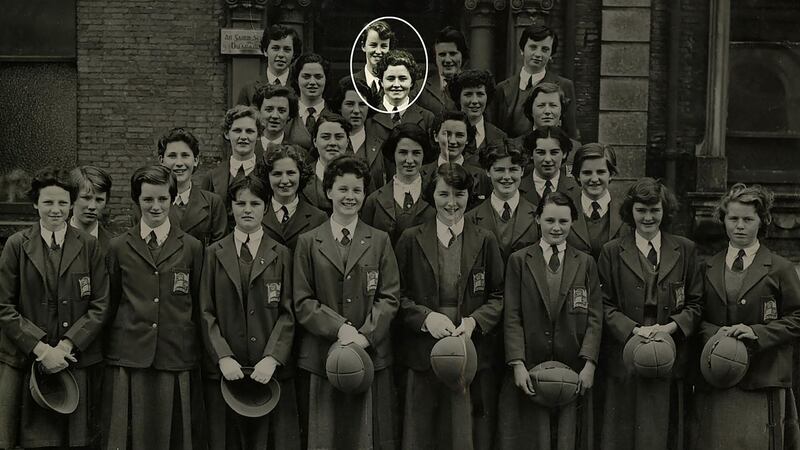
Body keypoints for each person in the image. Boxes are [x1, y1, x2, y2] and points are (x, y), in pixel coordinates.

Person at [293, 156, 400, 449]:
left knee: (364, 436)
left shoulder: (379, 240)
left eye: (356, 190)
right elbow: (302, 300)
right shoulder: (308, 242)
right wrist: (340, 329)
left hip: (369, 355)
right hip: (321, 356)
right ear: (329, 191)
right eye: (342, 189)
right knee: (325, 436)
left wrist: (364, 336)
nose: (349, 197)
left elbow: (389, 296)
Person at [395, 162, 504, 450]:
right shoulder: (411, 238)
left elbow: (498, 295)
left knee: (463, 431)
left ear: (470, 196)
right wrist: (425, 319)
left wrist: (473, 322)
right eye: (443, 194)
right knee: (423, 433)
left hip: (469, 352)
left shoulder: (485, 239)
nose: (452, 203)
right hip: (423, 350)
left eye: (460, 194)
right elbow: (397, 295)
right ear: (431, 195)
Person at [0, 167, 109, 449]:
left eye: (62, 202)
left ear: (71, 204)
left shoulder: (89, 246)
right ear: (35, 204)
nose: (56, 210)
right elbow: (4, 307)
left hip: (74, 361)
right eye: (48, 202)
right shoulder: (16, 246)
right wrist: (42, 350)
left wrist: (67, 345)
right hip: (28, 361)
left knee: (76, 439)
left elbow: (100, 304)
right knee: (34, 440)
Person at [689, 183, 800, 450]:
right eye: (733, 218)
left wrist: (757, 333)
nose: (739, 226)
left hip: (762, 380)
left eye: (748, 219)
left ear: (762, 221)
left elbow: (797, 317)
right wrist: (716, 335)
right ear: (723, 219)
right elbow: (696, 316)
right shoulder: (707, 267)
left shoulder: (780, 268)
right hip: (718, 379)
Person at [102, 165, 205, 449]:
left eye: (162, 199)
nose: (155, 206)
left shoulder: (192, 247)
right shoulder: (118, 247)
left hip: (175, 355)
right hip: (130, 356)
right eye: (147, 199)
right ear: (137, 200)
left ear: (172, 199)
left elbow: (198, 304)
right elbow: (111, 303)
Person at [598, 178, 702, 450]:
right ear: (630, 211)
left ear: (665, 211)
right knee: (624, 432)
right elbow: (604, 305)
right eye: (641, 210)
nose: (648, 217)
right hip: (626, 353)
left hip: (670, 353)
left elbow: (696, 303)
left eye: (655, 210)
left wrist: (670, 329)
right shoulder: (611, 251)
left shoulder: (685, 249)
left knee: (663, 432)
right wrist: (633, 330)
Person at [200, 175, 300, 450]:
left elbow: (289, 312)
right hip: (226, 372)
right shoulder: (213, 253)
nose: (247, 210)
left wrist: (273, 358)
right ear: (230, 207)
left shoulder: (282, 254)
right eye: (240, 203)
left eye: (255, 204)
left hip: (268, 373)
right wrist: (222, 356)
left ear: (265, 207)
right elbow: (205, 311)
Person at [498, 191, 602, 450]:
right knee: (534, 437)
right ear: (537, 219)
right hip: (532, 365)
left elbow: (595, 317)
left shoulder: (586, 263)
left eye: (563, 221)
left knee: (569, 437)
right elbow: (512, 315)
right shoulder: (519, 261)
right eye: (550, 220)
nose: (556, 228)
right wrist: (518, 363)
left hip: (572, 367)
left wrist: (589, 363)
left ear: (573, 221)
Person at [488, 25, 578, 140]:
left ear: (551, 54)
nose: (538, 54)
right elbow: (494, 133)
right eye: (533, 47)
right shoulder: (502, 88)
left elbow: (570, 134)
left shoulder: (564, 86)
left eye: (545, 49)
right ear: (522, 50)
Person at [361, 123, 436, 246]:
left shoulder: (435, 196)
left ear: (424, 155)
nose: (409, 160)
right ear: (393, 154)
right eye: (403, 152)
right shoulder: (374, 201)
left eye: (416, 153)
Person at [466, 141, 538, 263]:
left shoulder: (538, 216)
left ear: (522, 171)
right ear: (488, 171)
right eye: (499, 170)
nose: (506, 177)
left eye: (513, 169)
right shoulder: (470, 219)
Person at [158, 127, 227, 246]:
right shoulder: (146, 203)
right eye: (172, 156)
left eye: (185, 155)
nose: (179, 163)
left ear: (195, 160)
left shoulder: (213, 204)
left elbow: (219, 250)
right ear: (161, 160)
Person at [253, 144, 327, 252]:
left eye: (291, 173)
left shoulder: (318, 218)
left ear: (301, 174)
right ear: (267, 176)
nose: (284, 181)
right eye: (277, 174)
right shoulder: (256, 214)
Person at [199, 105, 264, 226]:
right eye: (237, 130)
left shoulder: (266, 174)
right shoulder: (212, 177)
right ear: (227, 134)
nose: (243, 137)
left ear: (258, 135)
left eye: (249, 131)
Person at [566, 143, 630, 260]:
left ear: (611, 174)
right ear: (578, 176)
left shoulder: (626, 211)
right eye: (587, 173)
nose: (594, 179)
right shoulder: (566, 210)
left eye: (601, 172)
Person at [420, 110, 492, 207]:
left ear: (467, 139)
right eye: (447, 134)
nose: (453, 141)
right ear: (436, 136)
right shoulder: (421, 175)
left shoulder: (481, 177)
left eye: (459, 135)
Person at [332, 76, 386, 193]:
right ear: (339, 107)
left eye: (362, 104)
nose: (356, 110)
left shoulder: (381, 142)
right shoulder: (330, 142)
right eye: (350, 104)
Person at [369, 49, 436, 143]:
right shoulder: (369, 115)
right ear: (381, 82)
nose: (396, 85)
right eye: (390, 79)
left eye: (402, 78)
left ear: (411, 82)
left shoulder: (427, 118)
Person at [517, 82, 581, 174]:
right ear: (530, 110)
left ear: (561, 110)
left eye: (553, 105)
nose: (547, 111)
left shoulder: (575, 149)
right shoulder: (516, 146)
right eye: (541, 105)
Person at [449, 69, 507, 167]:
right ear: (458, 98)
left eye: (480, 94)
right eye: (468, 94)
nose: (475, 101)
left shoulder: (499, 137)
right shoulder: (446, 133)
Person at [237, 24, 302, 106]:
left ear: (294, 54)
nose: (281, 54)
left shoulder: (300, 87)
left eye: (287, 49)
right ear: (265, 51)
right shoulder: (249, 89)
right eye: (275, 48)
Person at [301, 114, 351, 215]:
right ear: (315, 142)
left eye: (338, 137)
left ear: (347, 142)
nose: (332, 143)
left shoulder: (359, 175)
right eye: (325, 137)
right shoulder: (302, 175)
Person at [517, 126, 579, 206]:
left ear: (564, 153)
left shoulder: (577, 190)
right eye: (541, 152)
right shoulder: (517, 188)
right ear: (531, 154)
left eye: (554, 152)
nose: (547, 159)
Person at [415, 26, 468, 116]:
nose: (448, 60)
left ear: (462, 55)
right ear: (434, 57)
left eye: (453, 54)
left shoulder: (475, 87)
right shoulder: (420, 88)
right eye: (442, 55)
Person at [253, 84, 314, 155]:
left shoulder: (299, 152)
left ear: (289, 115)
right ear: (259, 111)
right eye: (269, 110)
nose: (275, 116)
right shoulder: (248, 146)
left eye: (281, 111)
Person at [69, 165, 114, 250]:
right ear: (72, 198)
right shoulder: (54, 239)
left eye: (99, 200)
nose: (92, 207)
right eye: (86, 198)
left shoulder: (114, 245)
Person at [292, 53, 332, 141]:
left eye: (318, 77)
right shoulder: (288, 114)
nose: (312, 82)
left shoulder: (334, 113)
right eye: (306, 77)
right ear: (297, 79)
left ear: (326, 79)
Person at [353, 19, 395, 101]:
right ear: (363, 46)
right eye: (373, 45)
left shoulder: (397, 86)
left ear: (389, 49)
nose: (378, 51)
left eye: (383, 46)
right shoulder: (350, 83)